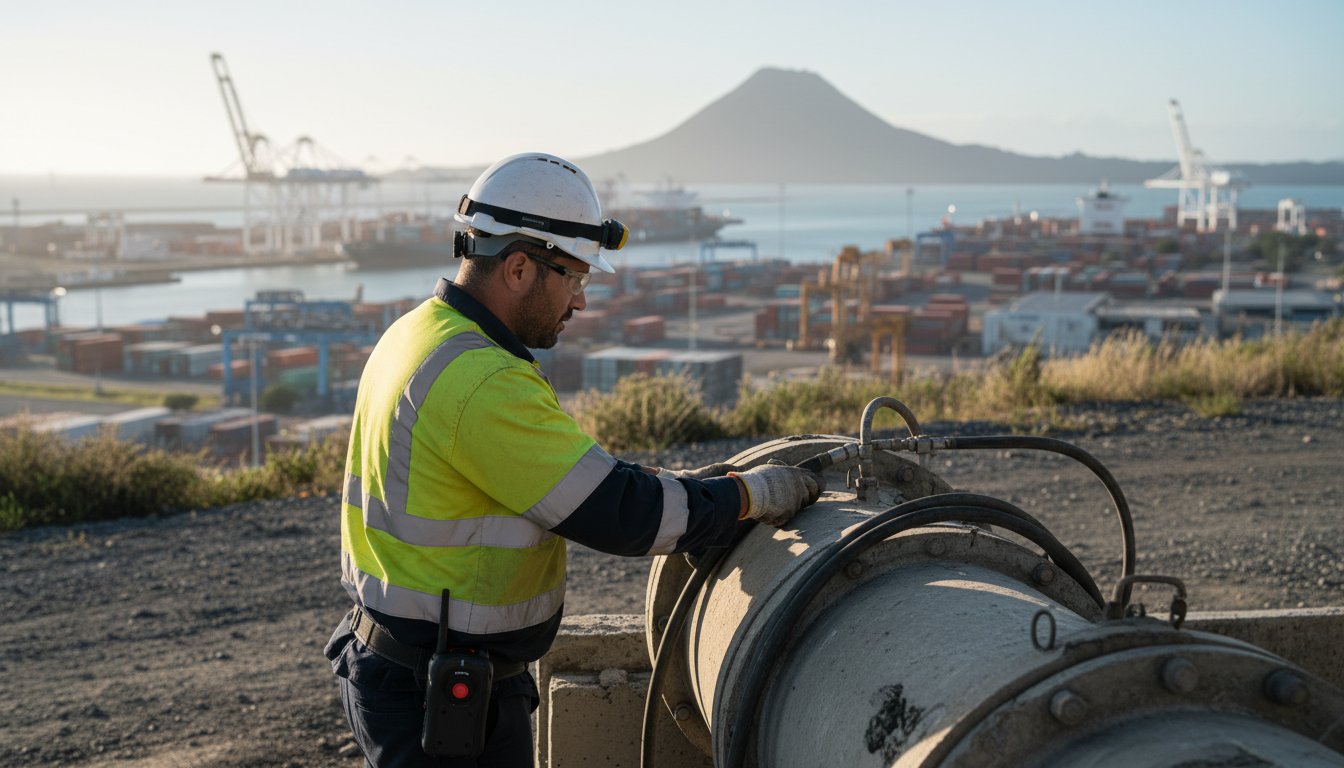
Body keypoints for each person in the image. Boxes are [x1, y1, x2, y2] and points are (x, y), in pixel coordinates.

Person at [325, 151, 824, 767]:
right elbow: (619, 513)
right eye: (574, 278)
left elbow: (573, 480)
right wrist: (750, 497)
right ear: (517, 267)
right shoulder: (482, 380)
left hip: (394, 661)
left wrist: (695, 488)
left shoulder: (417, 332)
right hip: (444, 696)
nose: (581, 301)